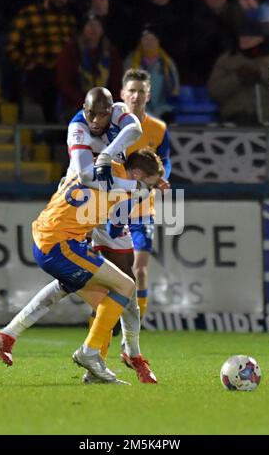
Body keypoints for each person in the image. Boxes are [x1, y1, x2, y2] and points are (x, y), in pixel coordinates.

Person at [0, 148, 163, 385]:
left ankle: (8, 334)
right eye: (148, 185)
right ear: (135, 174)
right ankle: (93, 355)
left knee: (77, 291)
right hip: (61, 245)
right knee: (124, 287)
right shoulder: (123, 191)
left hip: (46, 237)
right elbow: (114, 228)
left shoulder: (96, 166)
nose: (148, 191)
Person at [90, 69, 171, 371]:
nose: (136, 95)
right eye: (131, 91)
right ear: (122, 96)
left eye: (141, 91)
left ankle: (129, 341)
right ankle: (105, 340)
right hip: (112, 207)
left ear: (149, 95)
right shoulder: (113, 126)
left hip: (142, 209)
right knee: (107, 273)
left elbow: (167, 160)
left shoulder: (158, 128)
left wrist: (161, 180)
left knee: (139, 268)